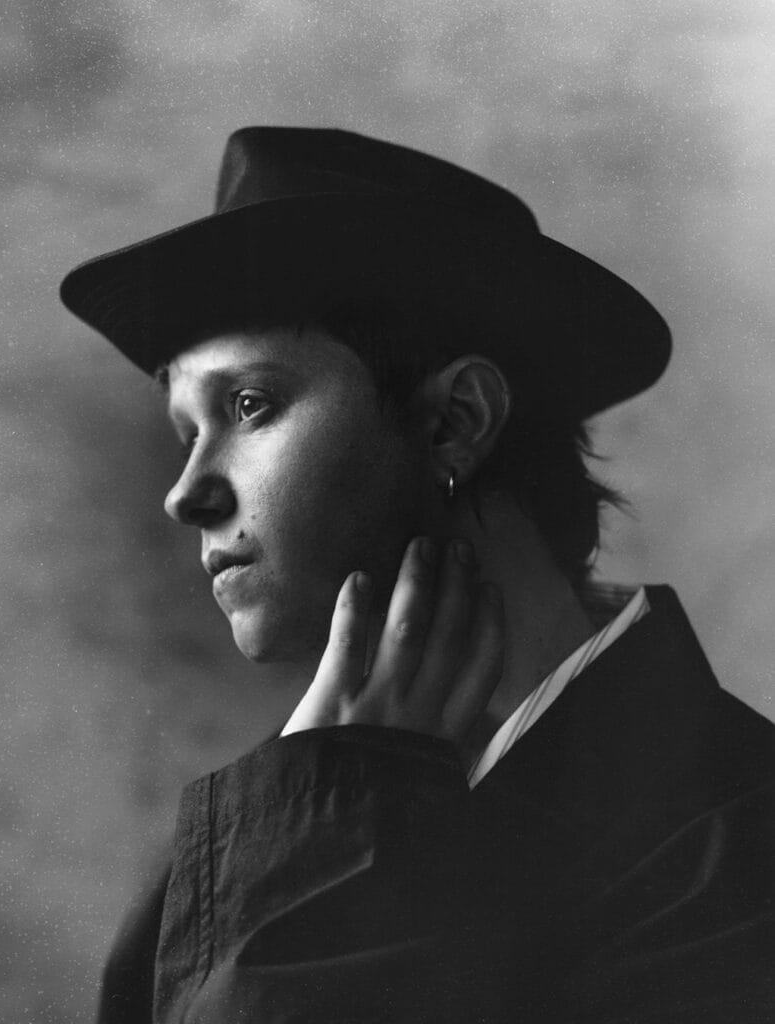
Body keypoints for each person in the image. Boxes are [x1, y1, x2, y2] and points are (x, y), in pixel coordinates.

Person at [61, 127, 775, 1023]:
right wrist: (323, 802)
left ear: (454, 422)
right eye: (184, 432)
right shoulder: (218, 856)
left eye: (250, 406)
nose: (186, 494)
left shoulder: (741, 849)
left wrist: (326, 826)